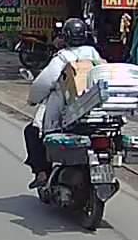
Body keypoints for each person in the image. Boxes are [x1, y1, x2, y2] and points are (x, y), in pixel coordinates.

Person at [23, 17, 105, 189]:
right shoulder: (94, 54)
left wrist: (32, 100)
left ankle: (41, 172)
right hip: (95, 112)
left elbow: (43, 84)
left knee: (32, 131)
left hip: (65, 113)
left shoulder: (62, 58)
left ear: (65, 37)